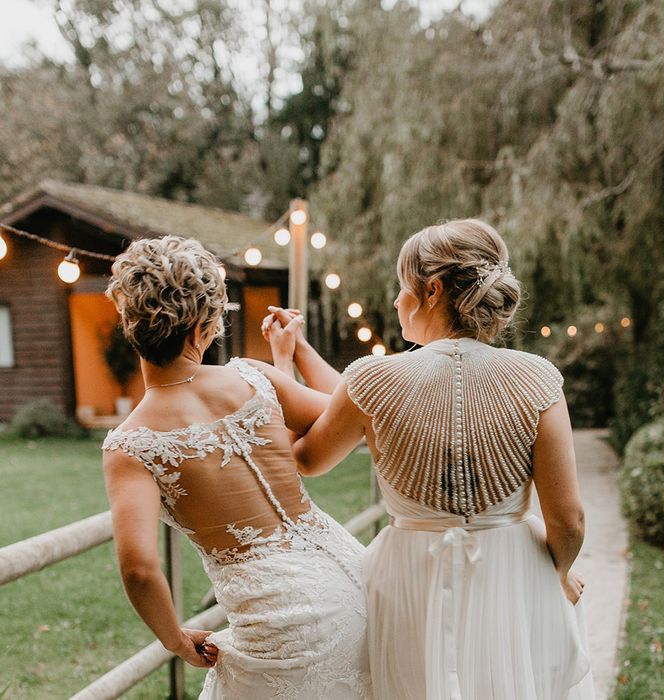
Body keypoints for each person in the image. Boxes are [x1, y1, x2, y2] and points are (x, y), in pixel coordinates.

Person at [264, 218, 595, 699]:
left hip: (408, 580)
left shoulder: (374, 380)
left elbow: (307, 455)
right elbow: (569, 521)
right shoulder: (537, 379)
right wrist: (557, 575)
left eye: (403, 288)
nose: (397, 300)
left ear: (433, 290)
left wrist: (281, 363)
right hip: (514, 577)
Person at [101, 236, 371, 699]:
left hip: (279, 625)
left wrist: (177, 640)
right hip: (358, 581)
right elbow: (344, 418)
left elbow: (140, 568)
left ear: (130, 323)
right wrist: (288, 357)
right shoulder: (254, 378)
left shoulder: (130, 444)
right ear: (202, 328)